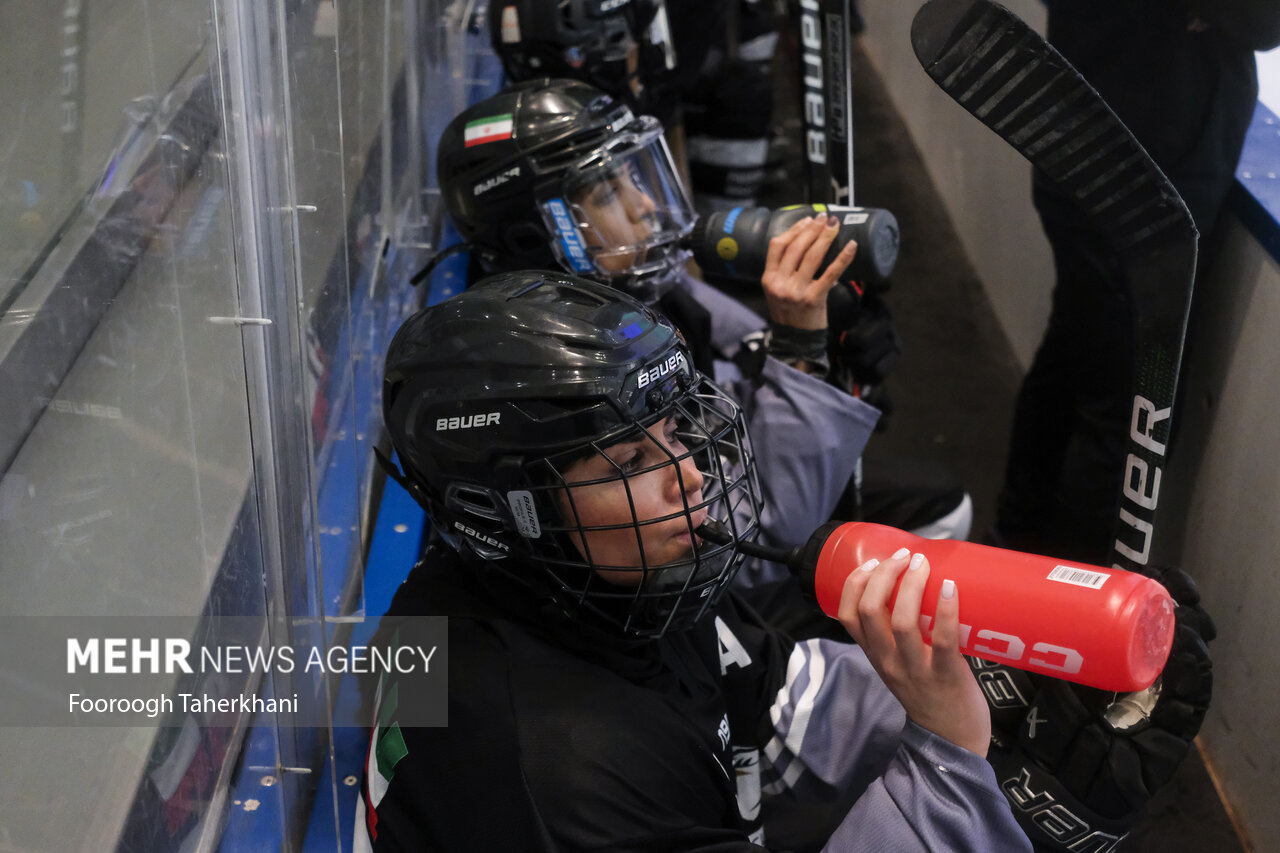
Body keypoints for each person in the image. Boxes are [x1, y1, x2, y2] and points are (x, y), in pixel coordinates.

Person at [357, 269, 1031, 851]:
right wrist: (946, 761)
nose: (690, 475)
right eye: (630, 461)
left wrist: (996, 707)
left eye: (673, 431)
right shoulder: (556, 774)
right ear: (507, 510)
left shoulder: (586, 577)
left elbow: (780, 700)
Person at [434, 77, 970, 634]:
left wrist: (831, 352)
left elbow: (733, 382)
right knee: (887, 603)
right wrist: (801, 359)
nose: (644, 205)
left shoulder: (628, 292)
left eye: (632, 177)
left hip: (741, 519)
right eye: (607, 193)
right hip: (691, 595)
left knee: (939, 505)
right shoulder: (545, 371)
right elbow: (747, 538)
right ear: (539, 232)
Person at [990, 0, 1279, 565]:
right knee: (1123, 415)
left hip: (1091, 138)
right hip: (1141, 169)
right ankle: (1065, 619)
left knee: (1077, 359)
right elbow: (1264, 20)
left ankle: (1013, 554)